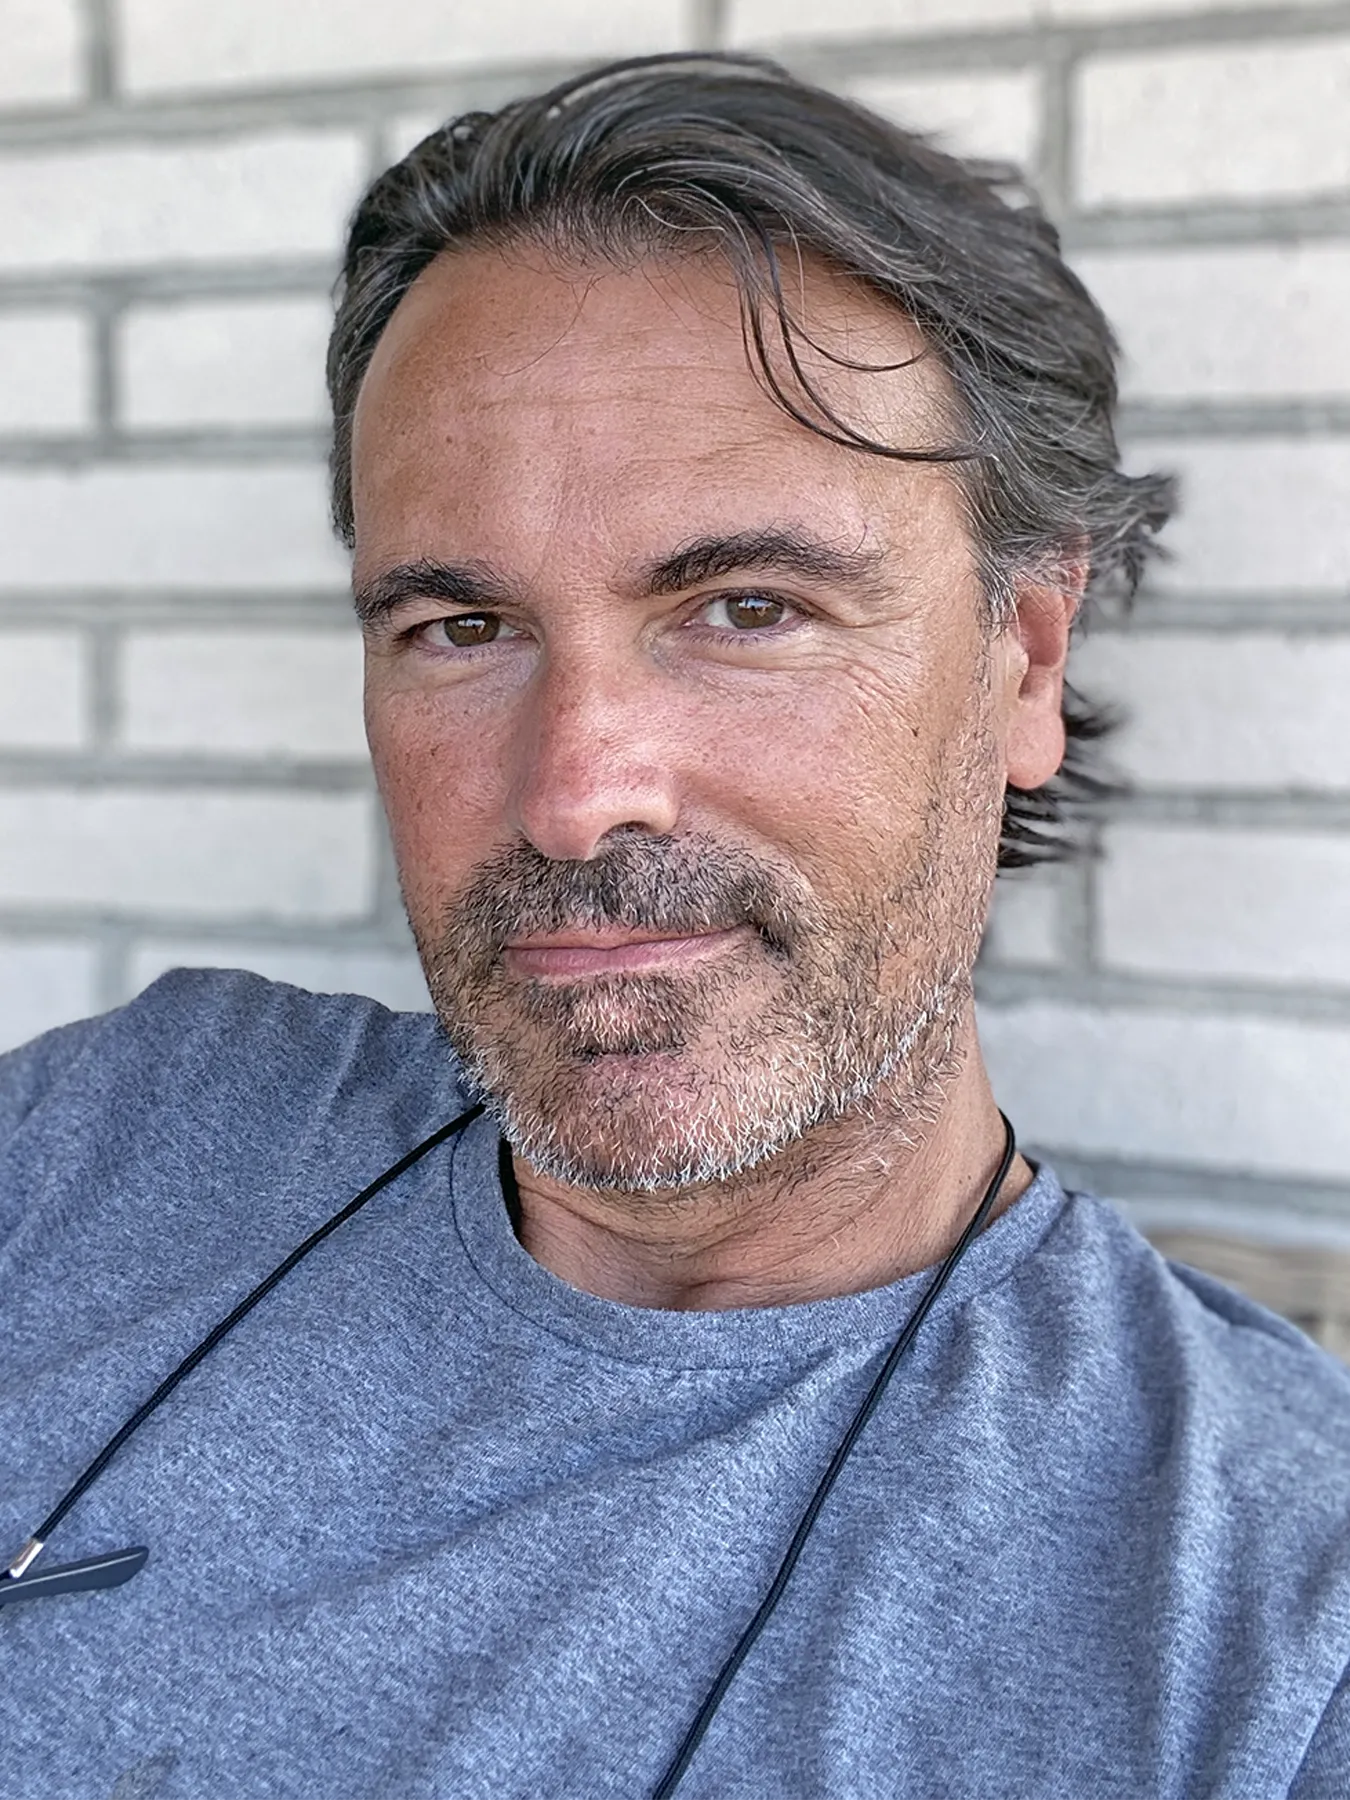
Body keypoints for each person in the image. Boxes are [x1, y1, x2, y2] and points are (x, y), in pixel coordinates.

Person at [2, 50, 1347, 1799]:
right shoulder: (106, 1144)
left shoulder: (1262, 1618)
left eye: (744, 605)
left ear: (1024, 656)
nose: (573, 796)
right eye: (463, 628)